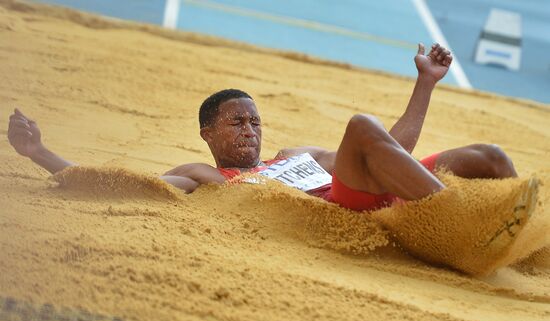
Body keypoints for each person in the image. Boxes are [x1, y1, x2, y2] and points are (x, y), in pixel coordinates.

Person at [7, 43, 523, 212]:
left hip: (382, 195)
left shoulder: (296, 154)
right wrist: (40, 154)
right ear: (208, 134)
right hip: (338, 214)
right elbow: (124, 184)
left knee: (491, 157)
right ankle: (457, 221)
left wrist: (425, 84)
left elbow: (393, 154)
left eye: (255, 120)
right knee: (362, 126)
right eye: (236, 122)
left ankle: (512, 236)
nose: (250, 130)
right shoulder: (205, 177)